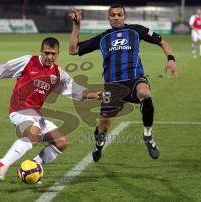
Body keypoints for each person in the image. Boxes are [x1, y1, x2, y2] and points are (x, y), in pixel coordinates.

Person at [0, 37, 102, 181]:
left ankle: (33, 166)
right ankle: (2, 164)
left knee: (61, 142)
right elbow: (3, 69)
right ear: (41, 51)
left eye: (53, 53)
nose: (49, 57)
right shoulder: (28, 61)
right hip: (19, 108)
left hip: (34, 113)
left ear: (58, 54)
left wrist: (95, 95)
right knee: (32, 137)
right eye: (46, 53)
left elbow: (77, 91)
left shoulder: (58, 74)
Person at [69, 4, 178, 162]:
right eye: (112, 15)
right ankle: (99, 143)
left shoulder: (136, 30)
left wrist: (171, 59)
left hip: (135, 79)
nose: (116, 17)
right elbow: (73, 50)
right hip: (113, 86)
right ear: (109, 18)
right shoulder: (102, 38)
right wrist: (76, 25)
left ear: (124, 16)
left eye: (119, 14)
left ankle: (148, 136)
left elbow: (162, 42)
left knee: (145, 93)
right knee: (103, 128)